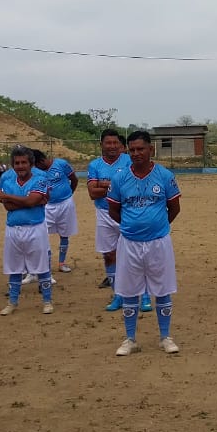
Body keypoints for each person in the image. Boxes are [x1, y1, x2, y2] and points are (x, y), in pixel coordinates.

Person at [107, 131, 182, 356]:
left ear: (151, 149)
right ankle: (130, 339)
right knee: (129, 290)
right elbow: (113, 210)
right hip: (129, 242)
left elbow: (174, 208)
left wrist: (156, 225)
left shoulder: (165, 175)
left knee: (163, 288)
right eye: (132, 150)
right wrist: (133, 225)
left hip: (158, 242)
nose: (136, 153)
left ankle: (165, 337)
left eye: (141, 149)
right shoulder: (120, 178)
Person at [0, 147, 53, 315]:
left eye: (23, 162)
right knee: (14, 267)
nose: (20, 166)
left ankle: (47, 301)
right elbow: (8, 206)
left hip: (35, 228)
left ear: (31, 164)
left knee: (41, 265)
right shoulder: (8, 181)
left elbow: (30, 201)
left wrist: (8, 197)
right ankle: (12, 302)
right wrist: (29, 201)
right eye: (17, 163)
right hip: (13, 229)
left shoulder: (40, 180)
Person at [88, 130, 131, 307]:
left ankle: (143, 294)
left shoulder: (128, 161)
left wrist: (104, 184)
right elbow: (92, 193)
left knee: (133, 254)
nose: (112, 146)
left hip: (126, 212)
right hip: (103, 213)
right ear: (101, 145)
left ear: (120, 145)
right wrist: (116, 186)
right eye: (108, 143)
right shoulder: (95, 165)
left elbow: (131, 188)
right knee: (108, 254)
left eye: (115, 143)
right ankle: (117, 294)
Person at [31, 148, 79, 276]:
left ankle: (61, 263)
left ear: (41, 161)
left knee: (64, 234)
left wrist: (68, 194)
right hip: (48, 206)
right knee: (41, 234)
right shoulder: (37, 173)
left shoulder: (61, 164)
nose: (35, 168)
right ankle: (44, 264)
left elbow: (74, 179)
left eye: (35, 165)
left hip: (66, 204)